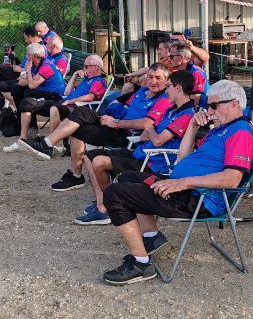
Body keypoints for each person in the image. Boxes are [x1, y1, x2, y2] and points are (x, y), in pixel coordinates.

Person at [101, 80, 253, 285]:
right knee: (129, 176)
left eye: (214, 105)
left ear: (234, 104)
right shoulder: (220, 129)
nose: (209, 110)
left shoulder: (241, 131)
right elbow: (181, 160)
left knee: (114, 193)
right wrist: (192, 125)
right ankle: (152, 237)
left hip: (199, 198)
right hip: (185, 188)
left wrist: (183, 183)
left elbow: (232, 179)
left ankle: (141, 264)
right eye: (208, 105)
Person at [18, 64, 172, 190]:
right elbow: (123, 103)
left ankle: (57, 156)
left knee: (77, 127)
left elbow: (146, 123)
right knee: (80, 114)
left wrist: (116, 122)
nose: (152, 81)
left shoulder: (164, 98)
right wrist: (114, 114)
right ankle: (59, 157)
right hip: (115, 121)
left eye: (158, 78)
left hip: (125, 133)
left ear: (166, 81)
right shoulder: (143, 90)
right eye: (150, 77)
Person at [74, 70, 195, 225]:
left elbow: (157, 140)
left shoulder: (186, 114)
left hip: (154, 162)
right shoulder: (172, 110)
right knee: (90, 156)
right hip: (141, 153)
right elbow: (145, 135)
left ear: (178, 88)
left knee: (99, 162)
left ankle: (106, 208)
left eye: (168, 86)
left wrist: (150, 127)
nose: (166, 89)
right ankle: (104, 203)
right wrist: (150, 128)